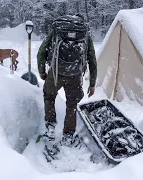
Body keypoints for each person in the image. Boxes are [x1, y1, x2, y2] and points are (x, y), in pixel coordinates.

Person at [37, 14, 97, 147]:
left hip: (56, 72)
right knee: (72, 104)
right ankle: (68, 134)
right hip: (75, 75)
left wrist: (42, 71)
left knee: (49, 96)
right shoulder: (84, 34)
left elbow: (41, 51)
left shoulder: (57, 30)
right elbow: (92, 59)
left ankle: (51, 127)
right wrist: (92, 84)